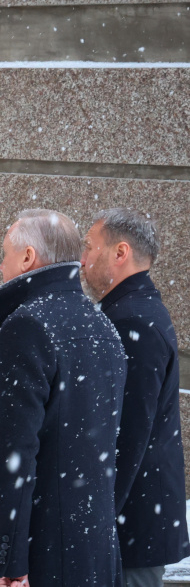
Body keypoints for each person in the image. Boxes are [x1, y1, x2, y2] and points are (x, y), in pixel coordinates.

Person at [0, 209, 127, 587]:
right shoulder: (102, 325)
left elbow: (12, 456)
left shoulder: (27, 326)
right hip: (91, 547)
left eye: (4, 254)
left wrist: (8, 564)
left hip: (39, 556)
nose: (0, 266)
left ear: (28, 257)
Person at [81, 208, 190, 587]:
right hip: (134, 524)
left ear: (120, 252)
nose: (82, 259)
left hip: (131, 531)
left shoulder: (132, 321)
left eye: (89, 247)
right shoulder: (133, 311)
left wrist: (95, 520)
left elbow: (126, 435)